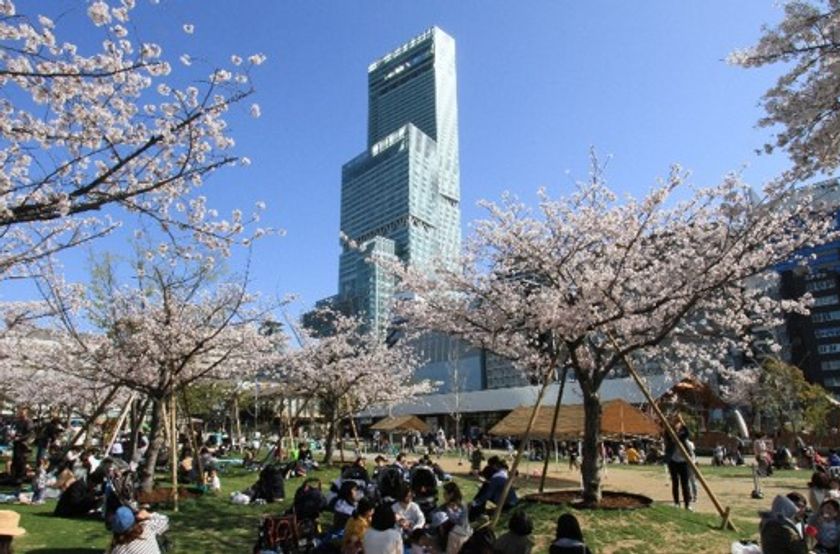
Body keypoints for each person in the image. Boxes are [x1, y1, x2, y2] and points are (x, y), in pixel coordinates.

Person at [664, 415, 692, 509]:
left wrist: (682, 421)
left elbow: (687, 433)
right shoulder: (669, 433)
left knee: (685, 484)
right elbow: (667, 435)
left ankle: (687, 504)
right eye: (675, 423)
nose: (676, 425)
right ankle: (676, 503)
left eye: (678, 423)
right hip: (673, 461)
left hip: (683, 461)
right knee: (675, 483)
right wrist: (670, 423)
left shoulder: (682, 434)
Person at [10, 406, 33, 484]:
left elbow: (29, 434)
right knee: (15, 460)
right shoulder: (18, 421)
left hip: (23, 444)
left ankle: (20, 477)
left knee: (21, 461)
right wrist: (13, 435)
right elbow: (15, 430)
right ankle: (14, 476)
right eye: (20, 412)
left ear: (26, 413)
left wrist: (20, 438)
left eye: (23, 412)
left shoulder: (28, 422)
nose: (21, 413)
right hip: (16, 443)